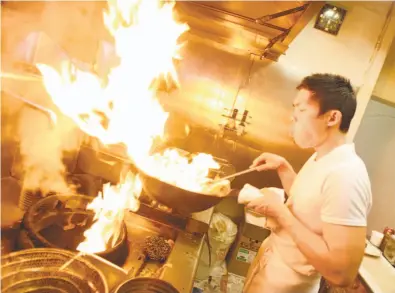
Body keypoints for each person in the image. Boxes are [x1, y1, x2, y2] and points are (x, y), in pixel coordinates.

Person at [243, 73, 372, 293]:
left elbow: (341, 273)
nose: (293, 118)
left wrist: (281, 213)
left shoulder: (346, 175)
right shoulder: (320, 156)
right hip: (270, 270)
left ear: (332, 118)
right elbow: (308, 205)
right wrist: (284, 168)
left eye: (301, 111)